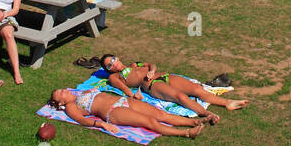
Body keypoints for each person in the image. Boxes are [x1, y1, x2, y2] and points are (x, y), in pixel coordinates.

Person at [101, 54, 249, 123]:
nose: (113, 64)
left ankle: (227, 102)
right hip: (151, 85)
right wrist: (134, 95)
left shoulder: (134, 64)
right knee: (180, 97)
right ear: (108, 69)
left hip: (164, 76)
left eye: (113, 60)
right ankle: (206, 113)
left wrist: (152, 70)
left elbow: (151, 65)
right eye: (109, 65)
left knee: (196, 89)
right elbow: (125, 89)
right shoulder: (114, 77)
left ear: (117, 58)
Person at [47, 88, 205, 139]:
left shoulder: (80, 92)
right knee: (150, 122)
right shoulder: (70, 107)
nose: (64, 91)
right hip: (114, 112)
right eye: (60, 94)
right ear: (61, 103)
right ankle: (186, 133)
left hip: (122, 100)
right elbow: (82, 120)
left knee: (161, 115)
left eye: (61, 90)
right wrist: (101, 124)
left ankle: (194, 122)